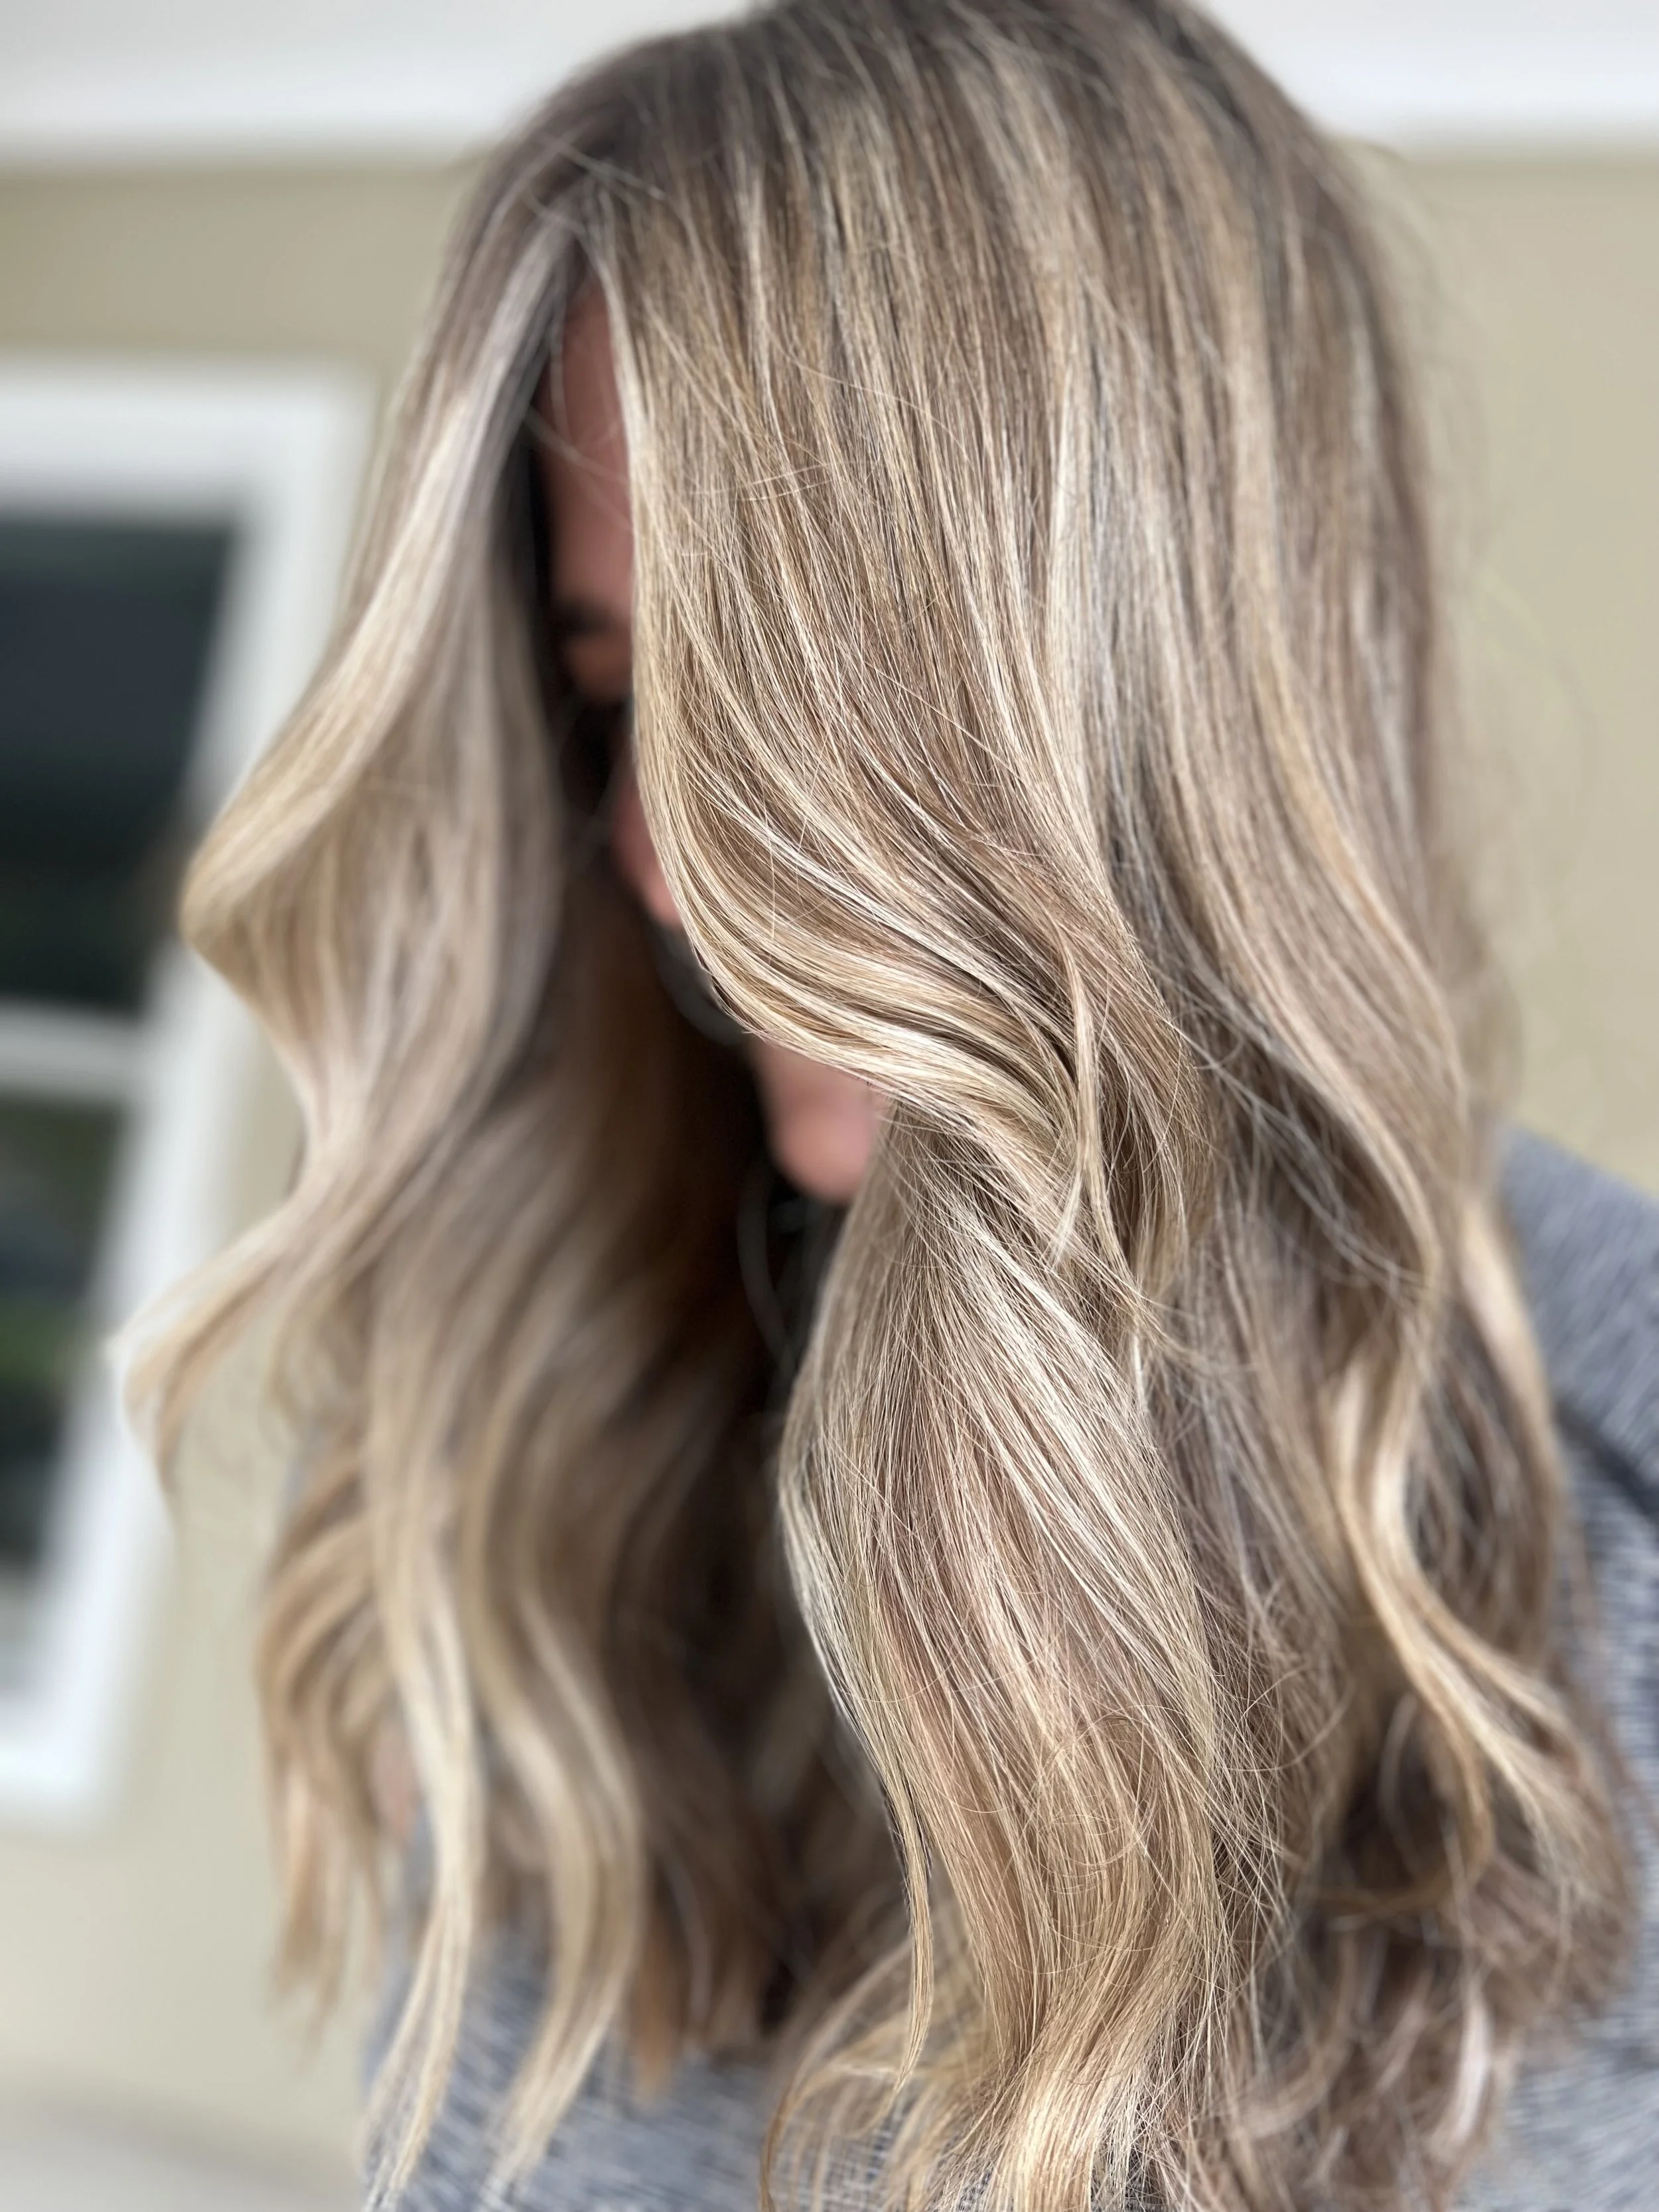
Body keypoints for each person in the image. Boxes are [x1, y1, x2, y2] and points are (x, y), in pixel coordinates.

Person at [119, 1, 1658, 2207]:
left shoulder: (1609, 1519)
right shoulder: (532, 1440)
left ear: (1153, 695)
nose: (668, 867)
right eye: (619, 708)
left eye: (783, 710)